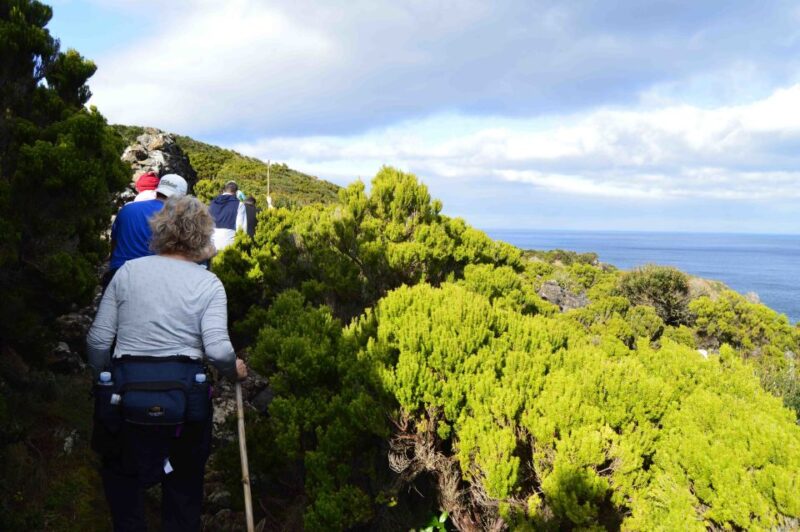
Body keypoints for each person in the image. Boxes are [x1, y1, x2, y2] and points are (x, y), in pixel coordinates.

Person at [87, 195, 248, 531]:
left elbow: (98, 341)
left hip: (124, 398)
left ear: (159, 230)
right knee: (184, 489)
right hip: (185, 403)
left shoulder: (129, 272)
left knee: (123, 482)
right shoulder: (209, 284)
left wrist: (103, 379)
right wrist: (235, 371)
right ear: (204, 234)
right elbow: (218, 350)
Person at [103, 173, 187, 289]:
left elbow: (114, 245)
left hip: (118, 275)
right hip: (153, 280)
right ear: (181, 197)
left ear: (158, 190)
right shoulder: (178, 218)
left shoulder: (127, 209)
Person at [208, 180, 247, 252]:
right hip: (229, 242)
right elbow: (241, 228)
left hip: (211, 241)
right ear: (236, 192)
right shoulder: (239, 204)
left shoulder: (213, 202)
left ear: (224, 190)